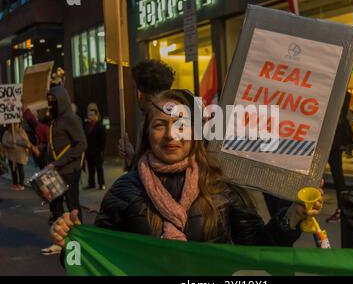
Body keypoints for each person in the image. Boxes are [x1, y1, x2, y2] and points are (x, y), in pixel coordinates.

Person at [50, 89, 323, 248]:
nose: (171, 135)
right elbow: (103, 260)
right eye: (160, 125)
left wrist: (292, 215)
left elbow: (260, 246)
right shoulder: (124, 190)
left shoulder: (220, 187)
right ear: (147, 133)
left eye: (181, 124)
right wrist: (72, 246)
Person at [42, 86, 87, 255]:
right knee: (55, 207)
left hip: (69, 170)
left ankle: (79, 242)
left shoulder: (70, 119)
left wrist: (60, 162)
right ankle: (61, 243)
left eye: (54, 101)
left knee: (72, 207)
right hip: (56, 171)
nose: (50, 105)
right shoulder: (56, 120)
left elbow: (82, 144)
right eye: (49, 101)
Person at [118, 60, 174, 170]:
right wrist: (132, 156)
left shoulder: (148, 125)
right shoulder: (182, 119)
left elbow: (146, 172)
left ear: (139, 94)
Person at [326, 91, 353, 223]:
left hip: (331, 141)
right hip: (334, 141)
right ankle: (342, 210)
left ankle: (342, 210)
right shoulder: (340, 97)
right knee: (338, 176)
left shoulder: (336, 96)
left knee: (337, 176)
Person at [1, 123, 32, 190]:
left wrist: (17, 142)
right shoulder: (7, 132)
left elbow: (27, 143)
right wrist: (11, 145)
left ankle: (21, 184)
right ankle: (15, 183)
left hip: (20, 154)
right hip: (11, 154)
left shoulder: (21, 131)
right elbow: (4, 142)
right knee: (13, 169)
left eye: (16, 124)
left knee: (20, 169)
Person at [83, 109, 106, 190]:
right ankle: (91, 183)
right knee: (90, 168)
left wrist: (101, 150)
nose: (90, 116)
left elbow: (103, 140)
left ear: (96, 116)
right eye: (89, 115)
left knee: (99, 168)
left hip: (97, 151)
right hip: (89, 151)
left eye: (92, 115)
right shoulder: (87, 126)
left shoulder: (100, 126)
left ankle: (101, 184)